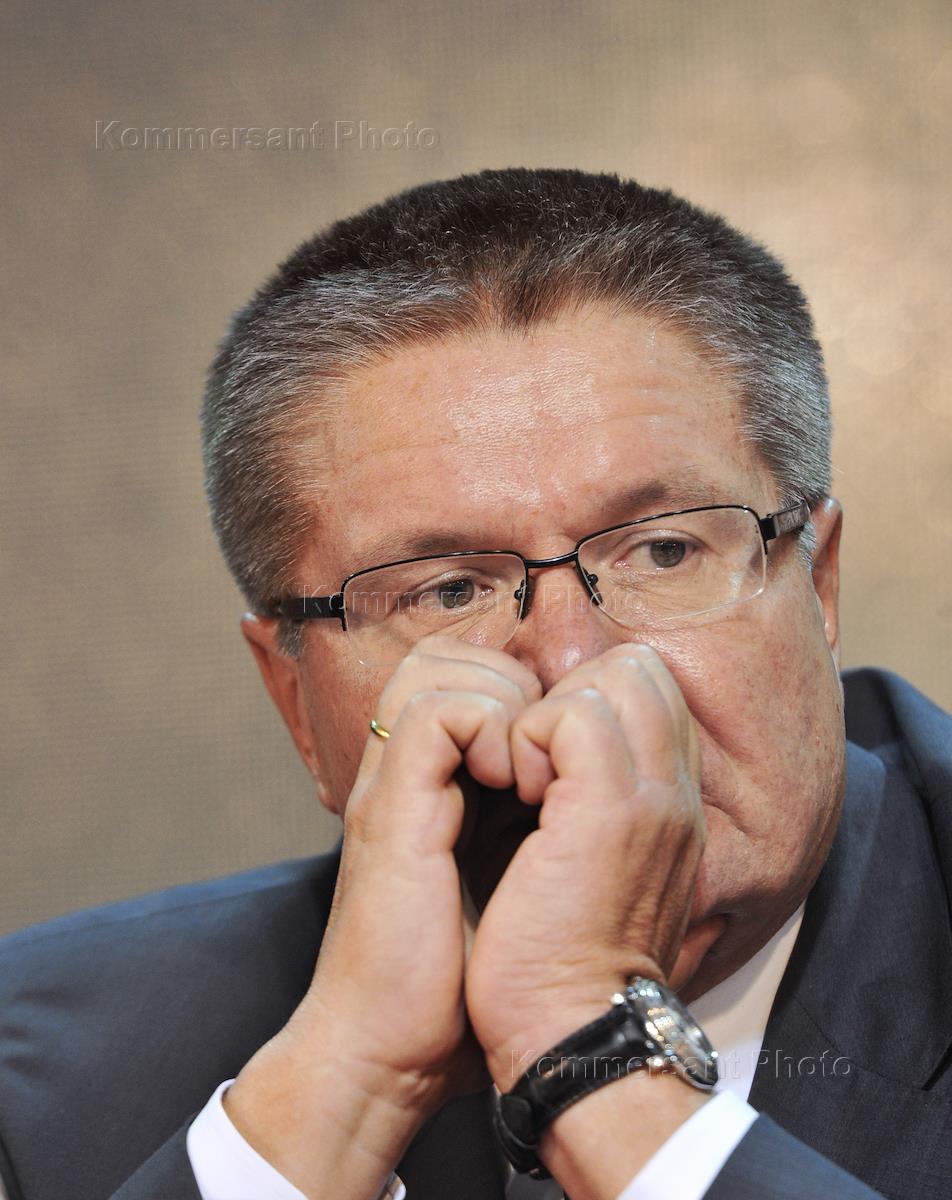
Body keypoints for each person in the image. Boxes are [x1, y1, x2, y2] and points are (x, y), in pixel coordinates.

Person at [1, 168, 949, 1200]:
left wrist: (587, 1049)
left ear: (817, 584)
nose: (577, 669)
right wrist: (346, 1090)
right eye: (449, 590)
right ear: (297, 706)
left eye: (664, 551)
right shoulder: (46, 1083)